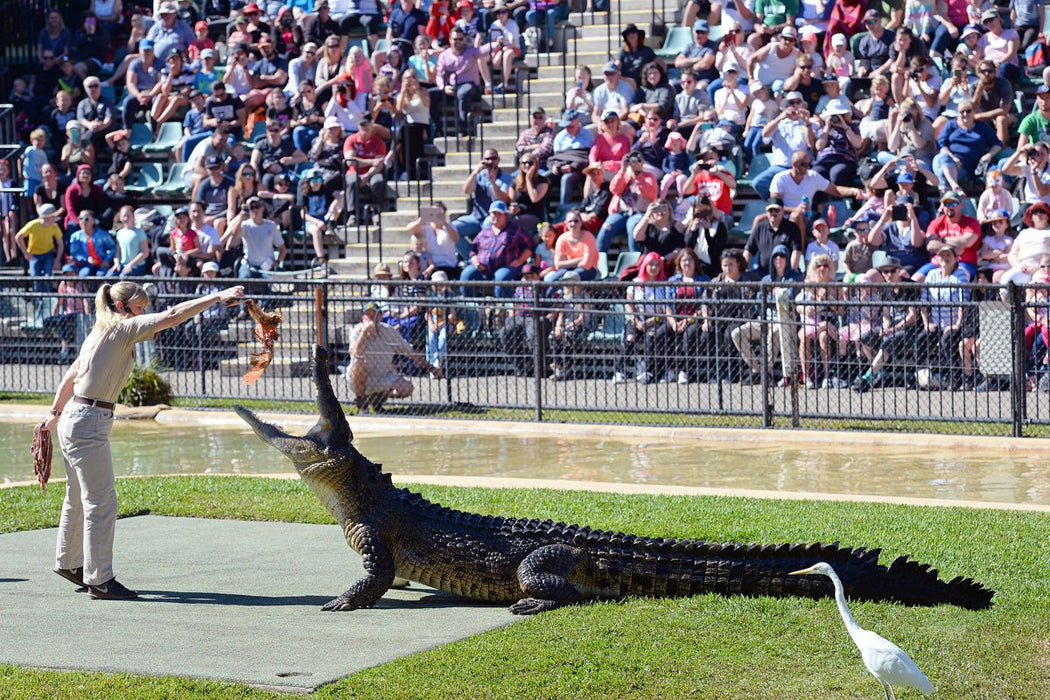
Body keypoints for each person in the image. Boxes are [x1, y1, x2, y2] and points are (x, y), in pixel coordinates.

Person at [44, 279, 244, 599]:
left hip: (75, 417)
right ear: (122, 307)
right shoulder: (123, 329)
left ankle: (69, 563)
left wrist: (54, 414)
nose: (144, 314)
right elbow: (175, 314)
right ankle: (100, 579)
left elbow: (71, 375)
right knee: (101, 501)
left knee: (78, 496)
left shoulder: (99, 331)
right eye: (139, 308)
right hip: (88, 421)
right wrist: (219, 296)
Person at [346, 300, 443, 413]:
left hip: (383, 377)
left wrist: (431, 368)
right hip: (360, 378)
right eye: (369, 315)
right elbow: (355, 353)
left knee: (407, 388)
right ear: (363, 318)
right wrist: (364, 333)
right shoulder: (357, 330)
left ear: (380, 317)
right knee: (358, 361)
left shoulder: (388, 330)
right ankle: (362, 405)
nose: (372, 319)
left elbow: (410, 352)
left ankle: (376, 400)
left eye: (375, 315)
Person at [731, 244, 803, 384]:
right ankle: (757, 369)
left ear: (787, 259)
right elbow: (759, 301)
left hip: (786, 322)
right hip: (765, 320)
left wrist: (776, 294)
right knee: (737, 333)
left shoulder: (795, 278)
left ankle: (767, 371)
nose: (778, 259)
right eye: (775, 256)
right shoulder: (766, 280)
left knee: (775, 331)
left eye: (782, 256)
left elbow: (792, 300)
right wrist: (772, 295)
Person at [851, 257, 920, 392]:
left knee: (887, 342)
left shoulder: (909, 287)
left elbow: (913, 316)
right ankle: (880, 372)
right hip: (893, 327)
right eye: (885, 272)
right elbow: (886, 315)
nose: (888, 275)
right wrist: (886, 327)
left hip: (910, 328)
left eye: (892, 271)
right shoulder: (885, 289)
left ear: (899, 271)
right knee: (864, 339)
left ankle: (866, 377)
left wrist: (893, 329)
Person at [919, 245, 970, 389]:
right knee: (921, 339)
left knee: (947, 339)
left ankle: (956, 377)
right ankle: (921, 376)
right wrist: (927, 323)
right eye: (942, 255)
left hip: (955, 324)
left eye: (948, 256)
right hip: (936, 323)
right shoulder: (932, 274)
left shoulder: (960, 274)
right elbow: (923, 301)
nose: (945, 259)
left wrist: (958, 324)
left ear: (955, 259)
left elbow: (963, 302)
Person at [459, 200, 533, 297]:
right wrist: (475, 261)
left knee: (501, 278)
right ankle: (468, 307)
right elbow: (473, 250)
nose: (496, 217)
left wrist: (519, 261)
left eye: (499, 214)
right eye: (493, 214)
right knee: (466, 274)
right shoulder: (484, 232)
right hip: (482, 267)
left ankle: (503, 308)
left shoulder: (515, 230)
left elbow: (530, 246)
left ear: (505, 216)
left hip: (505, 266)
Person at [744, 197, 803, 273]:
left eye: (777, 210)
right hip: (763, 274)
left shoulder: (792, 228)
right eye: (770, 210)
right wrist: (743, 270)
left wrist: (790, 274)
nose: (773, 213)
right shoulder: (759, 228)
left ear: (782, 211)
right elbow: (748, 251)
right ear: (766, 212)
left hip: (786, 274)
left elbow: (796, 252)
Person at [16, 204, 64, 293]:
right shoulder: (33, 225)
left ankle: (47, 301)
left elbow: (60, 244)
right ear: (46, 217)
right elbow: (18, 237)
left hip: (48, 254)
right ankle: (38, 302)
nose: (54, 218)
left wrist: (57, 259)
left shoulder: (54, 226)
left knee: (47, 278)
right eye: (52, 216)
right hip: (34, 255)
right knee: (35, 278)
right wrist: (26, 253)